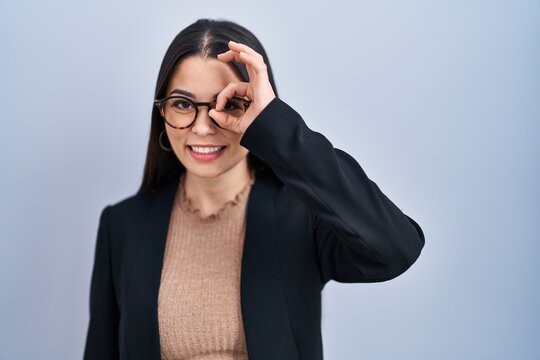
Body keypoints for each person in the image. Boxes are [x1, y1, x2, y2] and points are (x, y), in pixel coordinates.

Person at [83, 18, 425, 360]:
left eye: (229, 103)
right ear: (162, 112)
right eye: (183, 104)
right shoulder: (122, 226)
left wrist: (277, 127)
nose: (203, 128)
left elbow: (396, 249)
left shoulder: (301, 218)